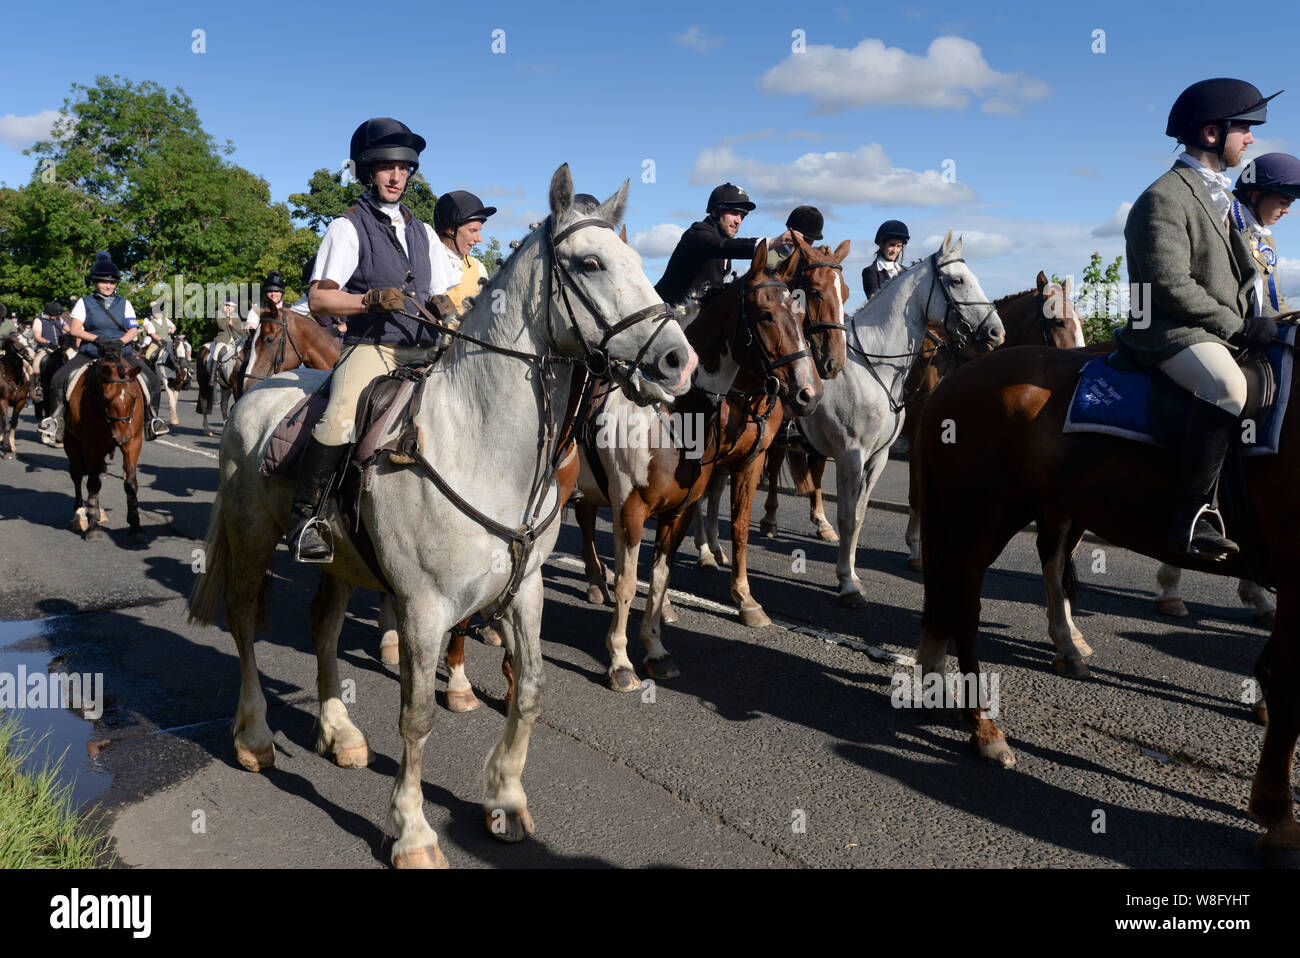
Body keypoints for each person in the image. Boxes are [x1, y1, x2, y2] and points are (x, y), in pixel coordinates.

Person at [1113, 77, 1281, 560]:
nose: (1250, 139)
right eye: (1245, 129)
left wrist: (1274, 319)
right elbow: (1170, 285)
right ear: (1212, 133)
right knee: (1228, 388)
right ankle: (1191, 514)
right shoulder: (1163, 197)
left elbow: (1250, 278)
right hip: (1168, 329)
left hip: (1221, 327)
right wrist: (1238, 326)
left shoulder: (1224, 198)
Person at [286, 117, 454, 562]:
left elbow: (437, 291)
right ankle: (305, 518)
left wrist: (447, 309)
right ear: (368, 172)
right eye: (385, 167)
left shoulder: (422, 232)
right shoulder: (348, 226)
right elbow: (320, 300)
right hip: (372, 350)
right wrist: (370, 301)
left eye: (403, 168)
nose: (396, 176)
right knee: (340, 417)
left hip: (424, 349)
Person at [39, 251, 170, 444]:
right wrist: (97, 339)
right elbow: (75, 329)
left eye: (112, 282)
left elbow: (133, 329)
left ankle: (152, 420)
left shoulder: (125, 303)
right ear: (95, 282)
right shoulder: (84, 302)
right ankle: (56, 419)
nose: (108, 285)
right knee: (59, 377)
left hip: (121, 351)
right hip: (91, 352)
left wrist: (121, 342)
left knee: (151, 379)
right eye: (103, 281)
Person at [654, 183, 785, 306]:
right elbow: (722, 246)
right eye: (734, 213)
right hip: (664, 316)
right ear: (716, 212)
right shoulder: (697, 233)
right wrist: (771, 242)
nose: (738, 221)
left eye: (742, 216)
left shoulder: (722, 243)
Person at [1231, 152, 1300, 313]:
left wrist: (1293, 322)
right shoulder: (1228, 228)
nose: (1287, 211)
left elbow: (1273, 295)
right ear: (1256, 197)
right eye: (1283, 202)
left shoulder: (1266, 240)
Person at [433, 190, 496, 311]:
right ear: (451, 229)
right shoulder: (423, 261)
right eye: (473, 231)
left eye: (479, 231)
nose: (479, 239)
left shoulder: (477, 268)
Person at [861, 220, 910, 300]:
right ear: (881, 244)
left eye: (899, 246)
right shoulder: (870, 272)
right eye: (891, 245)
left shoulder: (905, 271)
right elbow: (876, 302)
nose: (895, 250)